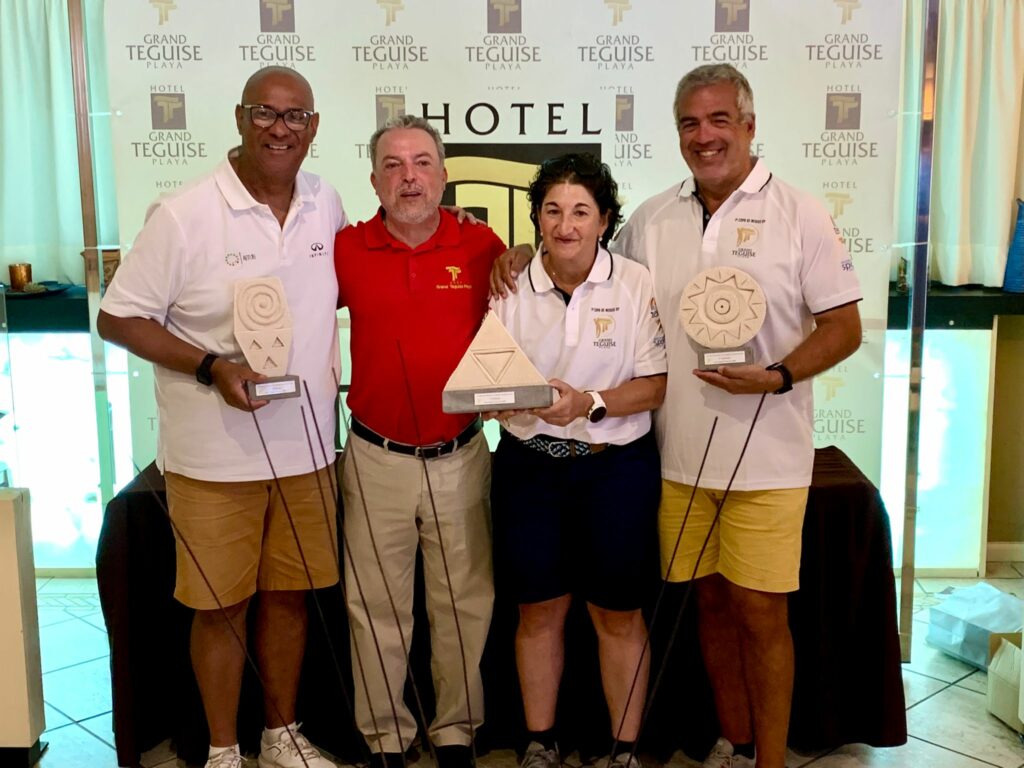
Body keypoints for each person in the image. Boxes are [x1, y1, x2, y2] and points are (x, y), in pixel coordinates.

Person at [493, 65, 863, 768]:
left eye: (720, 119)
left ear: (749, 126)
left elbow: (845, 326)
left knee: (762, 615)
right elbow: (584, 261)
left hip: (768, 458)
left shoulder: (800, 212)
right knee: (709, 608)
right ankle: (735, 742)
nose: (705, 136)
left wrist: (779, 375)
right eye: (690, 123)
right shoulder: (653, 219)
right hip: (678, 461)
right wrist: (519, 253)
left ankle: (769, 762)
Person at [97, 68, 344, 768]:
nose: (279, 128)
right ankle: (224, 750)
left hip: (306, 450)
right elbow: (117, 317)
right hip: (213, 457)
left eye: (295, 116)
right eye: (265, 113)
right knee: (220, 607)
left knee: (289, 598)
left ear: (314, 128)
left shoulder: (325, 202)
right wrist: (211, 366)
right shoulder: (184, 214)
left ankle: (281, 736)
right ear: (240, 118)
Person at [334, 114, 506, 768]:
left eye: (422, 163)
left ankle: (457, 729)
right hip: (375, 455)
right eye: (393, 165)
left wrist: (522, 255)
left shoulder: (482, 244)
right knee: (376, 607)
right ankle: (385, 736)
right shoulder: (346, 249)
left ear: (443, 174)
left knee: (463, 602)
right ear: (374, 180)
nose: (409, 177)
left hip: (459, 454)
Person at [488, 153, 666, 768]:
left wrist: (589, 403)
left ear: (605, 219)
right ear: (537, 218)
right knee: (538, 609)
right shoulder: (510, 284)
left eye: (581, 212)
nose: (566, 225)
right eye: (553, 211)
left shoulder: (635, 282)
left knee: (618, 613)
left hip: (615, 469)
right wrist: (492, 400)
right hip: (529, 469)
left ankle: (624, 751)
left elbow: (655, 385)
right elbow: (490, 376)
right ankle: (540, 744)